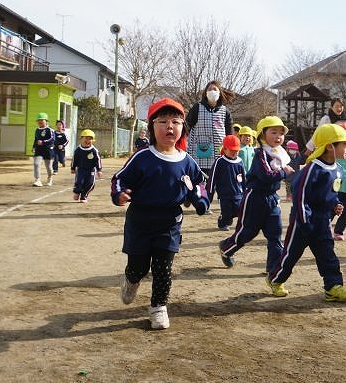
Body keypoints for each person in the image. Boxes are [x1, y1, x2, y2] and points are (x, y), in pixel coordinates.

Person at [112, 98, 209, 330]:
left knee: (163, 268)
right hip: (140, 222)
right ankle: (131, 279)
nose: (169, 127)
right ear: (152, 127)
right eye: (163, 121)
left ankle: (158, 307)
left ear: (183, 128)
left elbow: (199, 185)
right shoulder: (142, 157)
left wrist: (201, 200)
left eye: (176, 122)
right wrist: (119, 195)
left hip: (170, 223)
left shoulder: (187, 161)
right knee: (138, 267)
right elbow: (119, 178)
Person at [266, 123, 346, 301]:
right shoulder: (312, 170)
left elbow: (331, 194)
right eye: (344, 144)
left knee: (328, 256)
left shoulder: (337, 169)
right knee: (290, 256)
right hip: (302, 223)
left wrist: (335, 205)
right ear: (330, 147)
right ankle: (275, 279)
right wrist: (305, 222)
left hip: (323, 223)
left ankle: (333, 287)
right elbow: (300, 196)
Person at [218, 116, 295, 272]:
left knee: (275, 235)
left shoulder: (280, 153)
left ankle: (273, 270)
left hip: (272, 199)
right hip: (255, 198)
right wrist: (283, 173)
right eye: (273, 132)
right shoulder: (260, 154)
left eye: (281, 133)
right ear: (262, 135)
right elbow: (266, 175)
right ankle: (226, 248)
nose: (278, 136)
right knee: (247, 232)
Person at [185, 81, 234, 174]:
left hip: (219, 153)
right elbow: (187, 126)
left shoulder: (225, 111)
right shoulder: (197, 107)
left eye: (214, 89)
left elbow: (229, 134)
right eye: (209, 89)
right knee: (201, 184)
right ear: (206, 93)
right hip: (199, 153)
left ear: (219, 93)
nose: (212, 91)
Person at [207, 134, 245, 231]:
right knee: (226, 212)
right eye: (231, 150)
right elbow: (212, 179)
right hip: (224, 194)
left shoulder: (240, 162)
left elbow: (244, 178)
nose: (234, 153)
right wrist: (209, 194)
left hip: (238, 193)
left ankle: (228, 218)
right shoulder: (219, 162)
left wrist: (246, 191)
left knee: (238, 210)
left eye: (236, 151)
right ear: (224, 149)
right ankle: (223, 222)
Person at [71, 129, 102, 202]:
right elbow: (74, 159)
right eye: (86, 138)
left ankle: (84, 195)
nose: (88, 140)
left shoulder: (94, 150)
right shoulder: (78, 150)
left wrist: (99, 170)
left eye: (90, 139)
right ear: (81, 139)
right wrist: (73, 168)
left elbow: (98, 160)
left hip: (91, 169)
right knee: (79, 182)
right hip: (81, 169)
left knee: (90, 183)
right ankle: (77, 192)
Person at [31, 112, 55, 187]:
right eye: (38, 120)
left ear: (46, 121)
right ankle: (37, 180)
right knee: (36, 164)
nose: (40, 121)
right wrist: (34, 147)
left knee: (49, 168)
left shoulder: (50, 130)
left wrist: (43, 142)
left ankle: (50, 177)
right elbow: (36, 139)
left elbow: (52, 139)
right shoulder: (37, 130)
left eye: (42, 120)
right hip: (39, 150)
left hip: (48, 150)